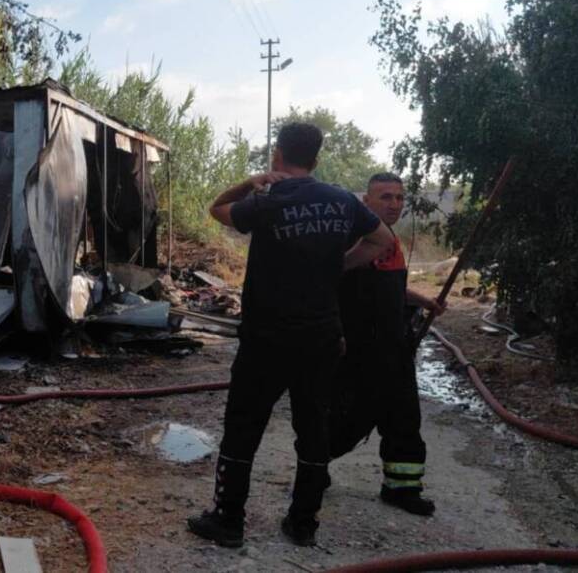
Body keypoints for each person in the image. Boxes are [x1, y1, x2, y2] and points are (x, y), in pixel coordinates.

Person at [187, 123, 393, 547]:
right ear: (316, 159)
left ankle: (228, 520)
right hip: (321, 338)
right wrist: (339, 264)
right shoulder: (342, 200)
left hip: (266, 338)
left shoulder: (268, 198)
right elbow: (382, 240)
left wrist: (251, 181)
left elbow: (217, 209)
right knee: (313, 428)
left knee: (244, 425)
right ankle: (303, 523)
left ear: (278, 155)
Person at [328, 172, 445, 516]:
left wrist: (424, 301)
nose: (394, 204)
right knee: (347, 418)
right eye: (385, 197)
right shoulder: (353, 238)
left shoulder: (390, 240)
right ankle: (313, 467)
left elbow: (391, 289)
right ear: (366, 201)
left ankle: (402, 488)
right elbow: (330, 284)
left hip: (394, 348)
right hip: (358, 350)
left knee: (403, 418)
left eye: (399, 197)